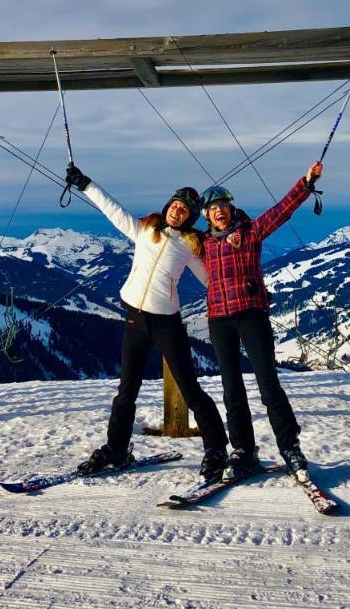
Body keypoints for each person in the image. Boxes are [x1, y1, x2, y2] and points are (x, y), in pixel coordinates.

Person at [64, 163, 229, 483]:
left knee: (190, 388)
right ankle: (116, 448)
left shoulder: (191, 246)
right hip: (135, 319)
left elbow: (214, 279)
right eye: (176, 205)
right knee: (126, 391)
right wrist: (85, 184)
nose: (178, 211)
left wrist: (240, 293)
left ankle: (216, 449)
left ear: (191, 218)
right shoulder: (145, 230)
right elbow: (112, 209)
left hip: (167, 322)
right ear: (169, 206)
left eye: (185, 210)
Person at [200, 162, 323, 482]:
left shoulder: (250, 231)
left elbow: (281, 211)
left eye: (223, 206)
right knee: (231, 388)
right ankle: (243, 450)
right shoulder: (203, 244)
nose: (219, 212)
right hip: (219, 320)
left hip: (251, 314)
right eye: (213, 209)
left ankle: (289, 445)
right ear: (206, 216)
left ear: (231, 208)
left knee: (268, 383)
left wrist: (306, 183)